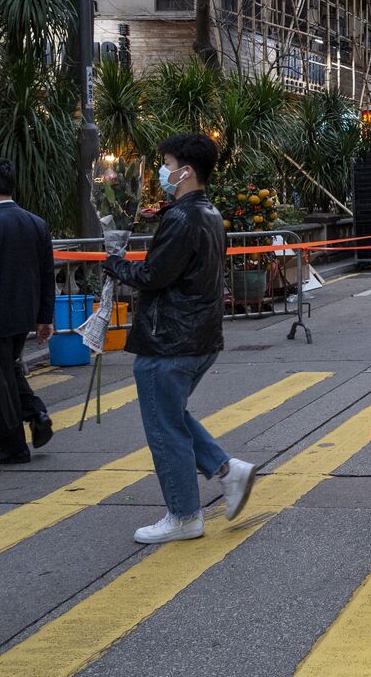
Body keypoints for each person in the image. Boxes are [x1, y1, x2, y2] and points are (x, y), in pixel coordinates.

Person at [102, 135, 257, 544]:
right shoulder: (208, 213)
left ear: (185, 170)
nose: (161, 171)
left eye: (166, 163)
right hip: (199, 335)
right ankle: (227, 470)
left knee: (163, 427)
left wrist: (115, 263)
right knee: (171, 415)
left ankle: (185, 515)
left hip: (169, 339)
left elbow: (154, 276)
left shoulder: (182, 218)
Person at [0, 158, 56, 465]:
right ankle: (35, 412)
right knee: (9, 371)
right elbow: (46, 276)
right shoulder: (36, 223)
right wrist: (45, 318)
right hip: (23, 316)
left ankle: (14, 445)